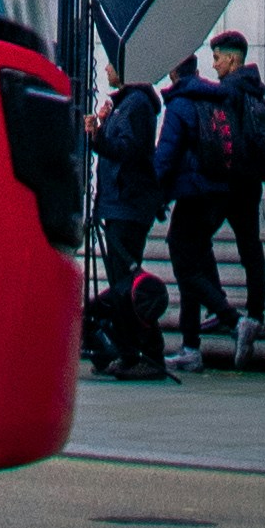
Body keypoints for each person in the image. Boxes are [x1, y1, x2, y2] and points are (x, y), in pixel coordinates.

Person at [154, 35, 247, 369]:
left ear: (175, 73)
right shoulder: (215, 98)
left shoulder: (181, 104)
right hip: (219, 192)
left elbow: (164, 158)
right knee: (191, 262)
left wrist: (157, 196)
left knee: (184, 263)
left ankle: (233, 320)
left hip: (193, 193)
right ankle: (191, 347)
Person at [206, 20, 265, 358]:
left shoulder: (229, 92)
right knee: (251, 247)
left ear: (233, 61)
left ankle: (219, 306)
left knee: (191, 240)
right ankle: (255, 314)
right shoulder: (254, 91)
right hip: (250, 183)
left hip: (228, 182)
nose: (215, 64)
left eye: (219, 58)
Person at [86, 69, 168, 377]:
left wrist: (100, 138)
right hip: (117, 203)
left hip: (129, 205)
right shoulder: (125, 104)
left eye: (111, 64)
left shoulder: (136, 105)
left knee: (129, 283)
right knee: (122, 284)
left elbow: (128, 151)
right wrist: (99, 133)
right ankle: (131, 352)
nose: (106, 69)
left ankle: (151, 353)